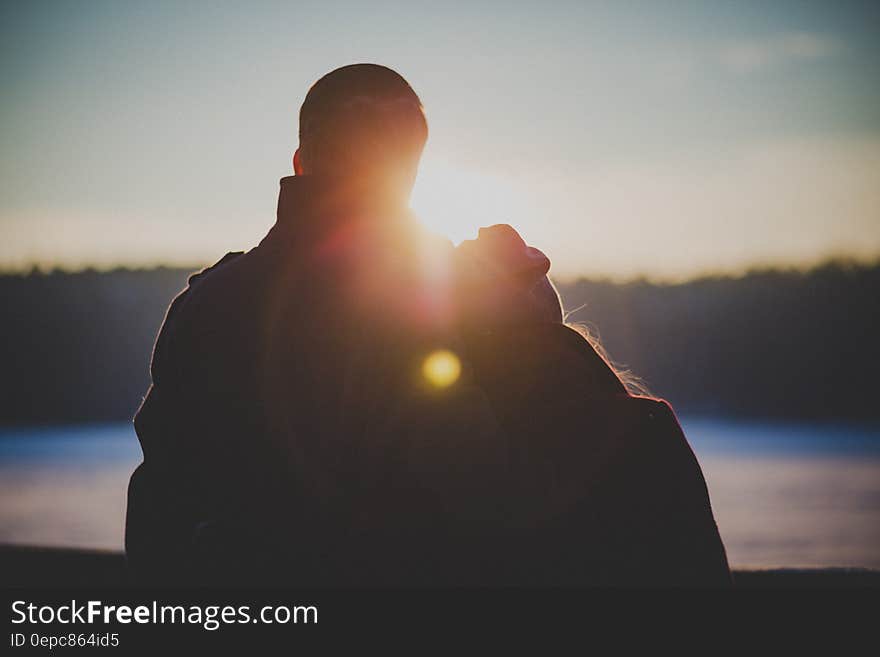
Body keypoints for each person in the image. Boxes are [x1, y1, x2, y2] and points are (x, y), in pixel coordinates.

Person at [125, 63, 730, 586]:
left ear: (301, 162)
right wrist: (533, 327)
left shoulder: (208, 304)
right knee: (644, 444)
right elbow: (489, 492)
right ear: (411, 169)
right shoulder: (439, 298)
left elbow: (160, 503)